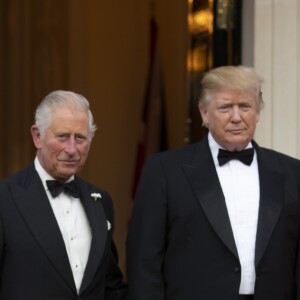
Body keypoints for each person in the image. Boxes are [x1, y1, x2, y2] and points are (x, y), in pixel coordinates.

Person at [126, 65, 300, 300]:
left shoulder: (292, 172)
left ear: (258, 112)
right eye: (225, 107)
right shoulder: (164, 171)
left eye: (245, 106)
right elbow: (144, 262)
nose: (236, 117)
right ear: (204, 113)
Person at [0, 90, 127, 299]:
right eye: (62, 136)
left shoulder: (101, 201)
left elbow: (109, 284)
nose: (71, 149)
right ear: (37, 136)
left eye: (80, 138)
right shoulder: (5, 199)